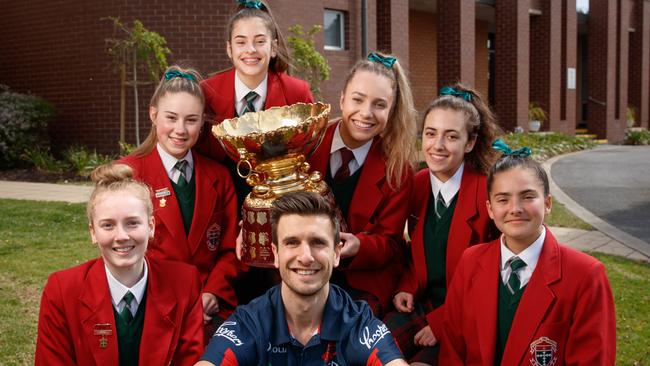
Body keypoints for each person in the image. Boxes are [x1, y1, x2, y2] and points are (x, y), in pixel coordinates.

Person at [439, 140, 617, 365]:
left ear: (548, 203)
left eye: (528, 196)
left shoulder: (586, 276)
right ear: (490, 210)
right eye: (503, 199)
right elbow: (453, 349)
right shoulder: (471, 261)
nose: (515, 208)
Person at [197, 192, 408, 366]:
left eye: (318, 242)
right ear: (275, 254)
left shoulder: (358, 324)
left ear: (336, 254)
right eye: (292, 242)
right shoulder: (250, 323)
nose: (306, 257)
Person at [35, 163, 204, 365]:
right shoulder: (62, 290)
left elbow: (190, 360)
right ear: (92, 232)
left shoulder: (185, 283)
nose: (121, 236)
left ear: (151, 226)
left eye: (132, 223)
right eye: (108, 225)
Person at [384, 84, 500, 364]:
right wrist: (406, 285)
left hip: (468, 314)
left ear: (469, 143)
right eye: (430, 133)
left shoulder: (487, 193)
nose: (437, 146)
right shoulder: (419, 183)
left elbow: (494, 277)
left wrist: (442, 321)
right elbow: (418, 248)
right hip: (422, 303)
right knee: (371, 348)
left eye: (451, 136)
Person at [119, 65, 240, 326]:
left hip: (210, 306)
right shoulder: (129, 174)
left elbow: (230, 249)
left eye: (191, 120)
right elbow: (123, 252)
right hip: (152, 305)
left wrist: (212, 292)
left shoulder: (219, 177)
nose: (181, 129)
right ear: (154, 115)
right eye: (171, 118)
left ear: (203, 121)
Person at [307, 52, 416, 318]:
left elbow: (390, 244)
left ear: (391, 111)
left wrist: (360, 247)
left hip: (362, 280)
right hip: (306, 267)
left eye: (379, 105)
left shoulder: (398, 170)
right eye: (358, 99)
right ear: (342, 98)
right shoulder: (307, 143)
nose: (366, 113)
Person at [197, 0, 314, 202]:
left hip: (282, 208)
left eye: (260, 41)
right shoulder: (206, 93)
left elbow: (311, 160)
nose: (250, 49)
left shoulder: (297, 93)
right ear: (229, 49)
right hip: (220, 209)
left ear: (273, 47)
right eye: (241, 42)